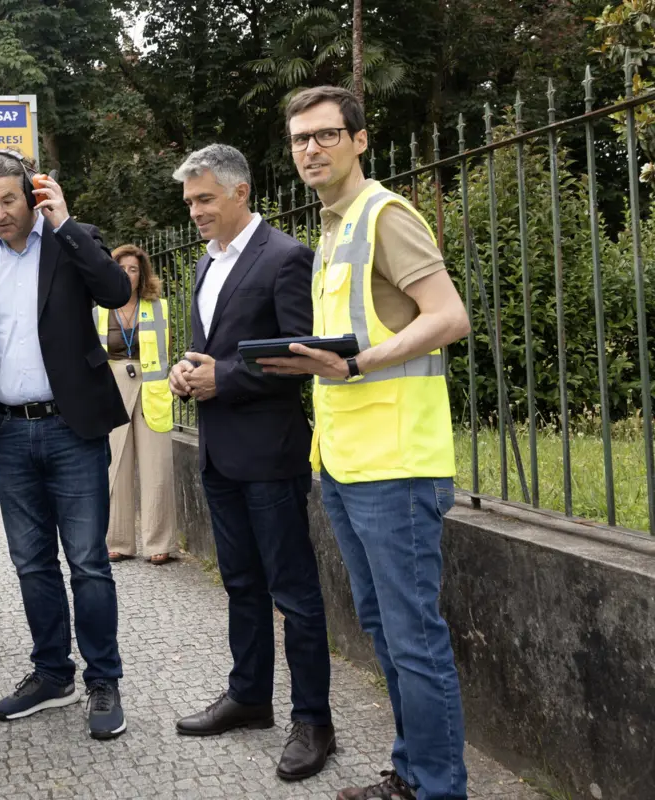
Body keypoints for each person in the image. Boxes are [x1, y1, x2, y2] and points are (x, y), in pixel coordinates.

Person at [259, 86, 472, 800]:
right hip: (350, 464)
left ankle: (437, 788)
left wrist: (353, 364)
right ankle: (412, 776)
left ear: (359, 139)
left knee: (414, 642)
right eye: (299, 140)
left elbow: (449, 317)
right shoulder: (333, 228)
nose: (310, 149)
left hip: (398, 465)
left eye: (324, 135)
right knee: (389, 636)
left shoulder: (386, 216)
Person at [0, 149, 132, 740]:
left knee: (88, 562)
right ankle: (51, 673)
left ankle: (103, 679)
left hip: (71, 429)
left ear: (34, 194)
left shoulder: (71, 239)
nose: (0, 212)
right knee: (32, 561)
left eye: (9, 200)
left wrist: (64, 225)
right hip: (9, 431)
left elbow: (115, 292)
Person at [167, 143, 335, 781]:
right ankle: (250, 697)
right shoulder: (208, 263)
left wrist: (225, 379)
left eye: (205, 199)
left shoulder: (286, 256)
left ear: (241, 192)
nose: (195, 213)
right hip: (218, 452)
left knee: (294, 592)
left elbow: (299, 354)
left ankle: (314, 718)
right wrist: (189, 371)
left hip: (269, 453)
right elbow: (212, 348)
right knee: (240, 585)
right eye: (189, 203)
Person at [96, 244, 176, 565]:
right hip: (113, 387)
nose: (128, 274)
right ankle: (118, 541)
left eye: (133, 269)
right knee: (115, 467)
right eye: (122, 268)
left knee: (157, 467)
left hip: (151, 389)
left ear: (142, 274)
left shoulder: (159, 307)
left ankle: (160, 541)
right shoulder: (100, 310)